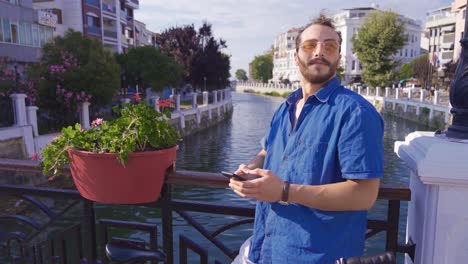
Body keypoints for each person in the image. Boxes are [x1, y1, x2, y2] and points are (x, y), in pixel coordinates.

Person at [229, 14, 384, 263]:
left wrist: (284, 191)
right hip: (266, 247)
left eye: (329, 46)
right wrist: (249, 170)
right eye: (310, 45)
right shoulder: (285, 107)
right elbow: (267, 151)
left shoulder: (355, 113)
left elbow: (364, 195)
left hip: (318, 254)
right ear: (296, 56)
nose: (319, 52)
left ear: (339, 58)